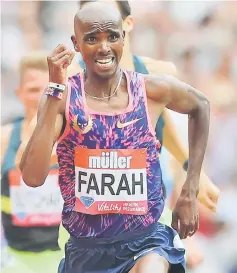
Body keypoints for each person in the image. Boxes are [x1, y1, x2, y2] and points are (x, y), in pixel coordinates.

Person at [20, 2, 210, 273]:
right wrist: (53, 88)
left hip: (145, 241)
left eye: (112, 36)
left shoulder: (149, 90)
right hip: (87, 251)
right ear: (76, 43)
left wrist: (190, 190)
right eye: (92, 38)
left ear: (123, 37)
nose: (104, 47)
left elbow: (200, 105)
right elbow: (33, 177)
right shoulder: (62, 97)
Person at [1, 52, 63, 273]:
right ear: (19, 94)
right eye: (33, 90)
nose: (40, 98)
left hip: (65, 256)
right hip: (17, 259)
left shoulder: (71, 137)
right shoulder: (5, 138)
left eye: (47, 90)